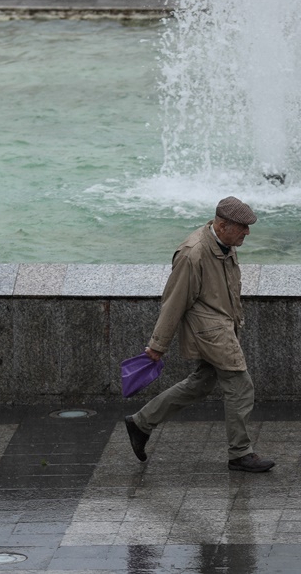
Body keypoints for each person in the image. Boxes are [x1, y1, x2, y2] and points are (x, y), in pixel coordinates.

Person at [123, 196, 275, 473]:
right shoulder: (193, 254)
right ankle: (240, 453)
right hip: (211, 333)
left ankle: (141, 422)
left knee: (201, 383)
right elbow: (173, 301)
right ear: (222, 224)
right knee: (240, 387)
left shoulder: (225, 244)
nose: (248, 232)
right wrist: (157, 345)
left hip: (221, 329)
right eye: (242, 227)